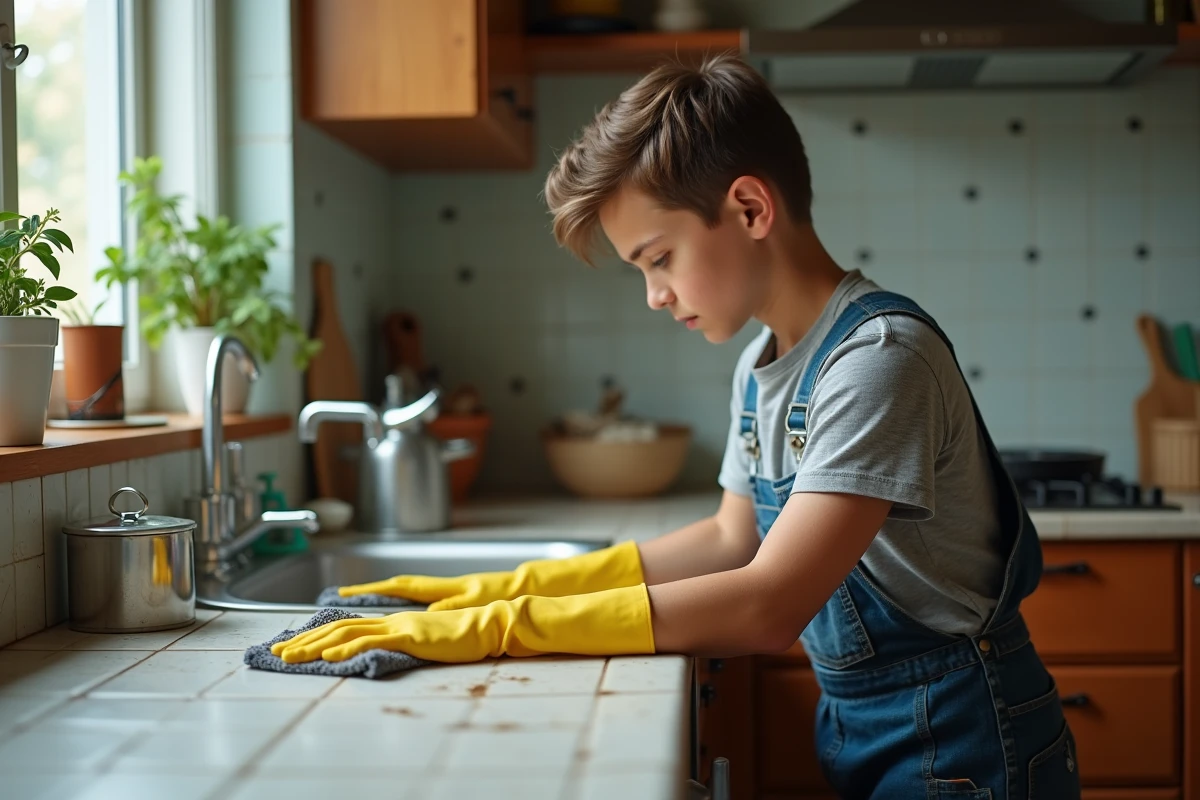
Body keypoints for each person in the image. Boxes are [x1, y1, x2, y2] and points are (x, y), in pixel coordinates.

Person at [272, 53, 1079, 799]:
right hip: (865, 723)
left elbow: (768, 604)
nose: (655, 294)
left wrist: (498, 629)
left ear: (751, 207)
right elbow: (733, 540)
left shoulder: (876, 361)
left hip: (967, 737)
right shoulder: (767, 361)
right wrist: (491, 588)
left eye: (658, 258)